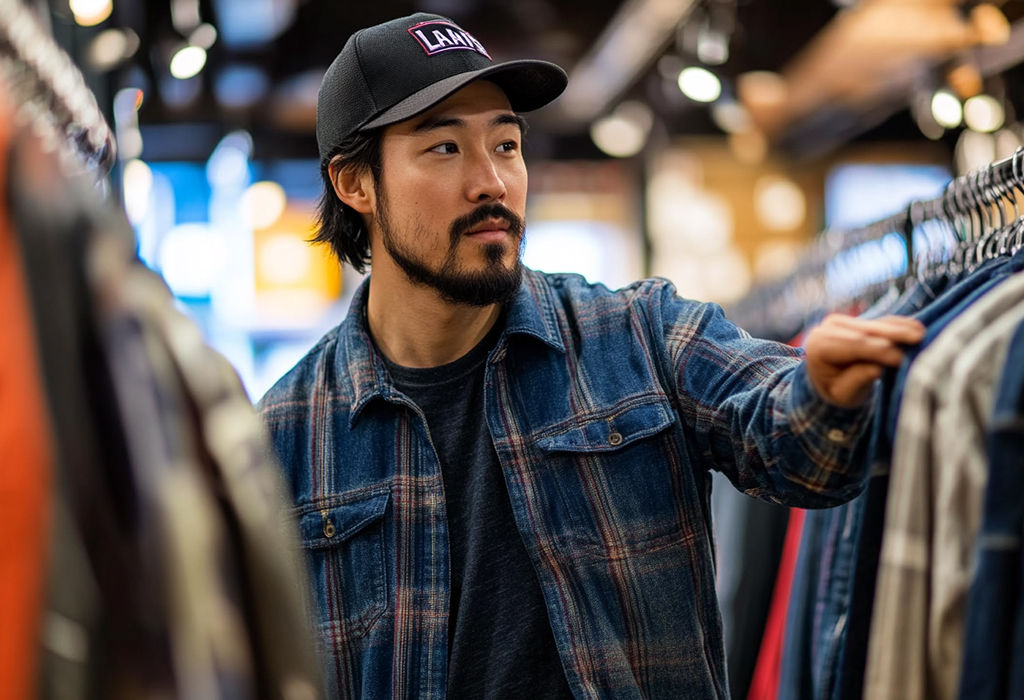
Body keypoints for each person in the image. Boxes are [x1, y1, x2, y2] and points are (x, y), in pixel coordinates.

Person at [257, 12, 925, 700]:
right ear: (354, 184)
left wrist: (822, 390)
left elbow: (795, 445)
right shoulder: (280, 438)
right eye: (445, 150)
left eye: (507, 144)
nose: (492, 182)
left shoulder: (639, 334)